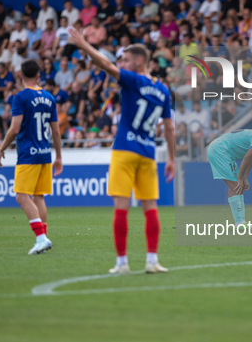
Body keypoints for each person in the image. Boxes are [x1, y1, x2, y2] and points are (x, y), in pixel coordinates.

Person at [69, 27, 175, 275]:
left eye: (125, 59)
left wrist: (84, 45)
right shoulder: (163, 90)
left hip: (125, 151)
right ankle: (152, 260)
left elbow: (105, 65)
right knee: (151, 209)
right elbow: (169, 127)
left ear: (139, 61)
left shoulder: (133, 78)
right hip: (148, 154)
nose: (121, 63)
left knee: (121, 208)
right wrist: (170, 157)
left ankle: (122, 263)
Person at [0, 59, 63, 255]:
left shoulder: (20, 98)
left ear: (20, 76)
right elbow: (56, 131)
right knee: (38, 197)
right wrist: (58, 156)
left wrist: (1, 148)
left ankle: (41, 238)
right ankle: (43, 238)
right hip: (45, 154)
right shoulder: (50, 98)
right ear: (38, 76)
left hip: (28, 154)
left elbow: (14, 128)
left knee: (21, 197)